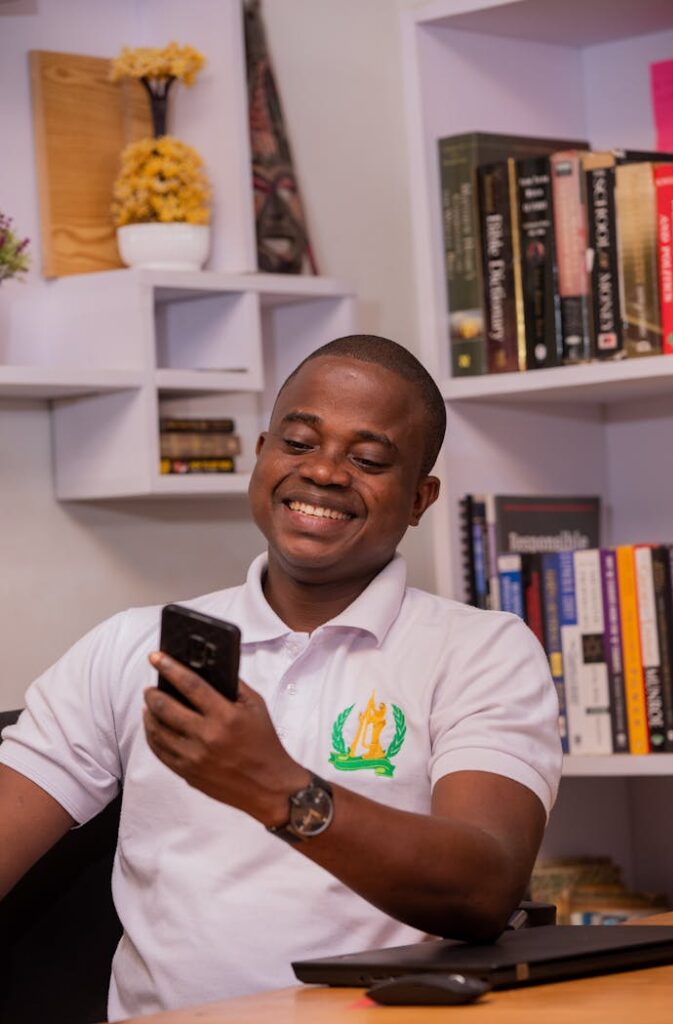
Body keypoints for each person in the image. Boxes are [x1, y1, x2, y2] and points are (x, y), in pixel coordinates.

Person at [0, 335, 562, 1020]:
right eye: (297, 444)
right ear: (263, 453)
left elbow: (483, 887)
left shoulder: (480, 651)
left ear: (419, 498)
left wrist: (273, 786)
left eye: (368, 459)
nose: (323, 472)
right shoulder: (130, 646)